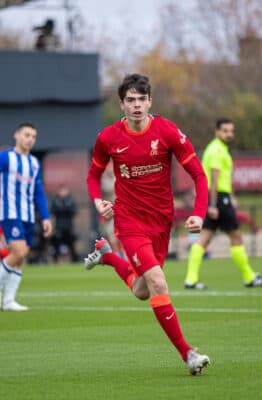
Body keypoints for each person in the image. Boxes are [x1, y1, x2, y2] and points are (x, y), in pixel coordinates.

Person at [84, 73, 210, 376]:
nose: (137, 105)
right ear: (122, 104)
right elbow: (93, 176)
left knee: (142, 290)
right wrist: (97, 200)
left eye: (142, 99)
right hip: (129, 221)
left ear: (150, 101)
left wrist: (200, 212)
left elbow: (199, 175)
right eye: (131, 100)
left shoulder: (167, 132)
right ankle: (188, 354)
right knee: (157, 281)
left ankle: (108, 257)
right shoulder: (109, 138)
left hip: (162, 222)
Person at [184, 118, 262, 290]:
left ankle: (191, 279)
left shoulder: (219, 148)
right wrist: (214, 204)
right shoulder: (216, 150)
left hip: (218, 197)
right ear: (217, 132)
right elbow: (214, 179)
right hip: (218, 198)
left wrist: (229, 196)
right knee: (236, 236)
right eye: (225, 131)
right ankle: (249, 277)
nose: (229, 134)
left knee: (204, 238)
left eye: (231, 131)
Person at [0, 123, 53, 311]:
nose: (30, 139)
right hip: (9, 214)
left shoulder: (34, 163)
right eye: (27, 135)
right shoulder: (5, 157)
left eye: (33, 136)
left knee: (22, 257)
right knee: (18, 252)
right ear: (17, 135)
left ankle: (9, 300)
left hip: (28, 215)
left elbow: (39, 193)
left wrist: (45, 217)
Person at [50, 185, 78, 262]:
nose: (63, 193)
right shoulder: (56, 200)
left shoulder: (70, 200)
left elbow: (73, 211)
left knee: (71, 244)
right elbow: (53, 211)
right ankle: (55, 260)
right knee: (56, 244)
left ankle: (74, 260)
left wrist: (63, 209)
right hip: (59, 226)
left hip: (69, 227)